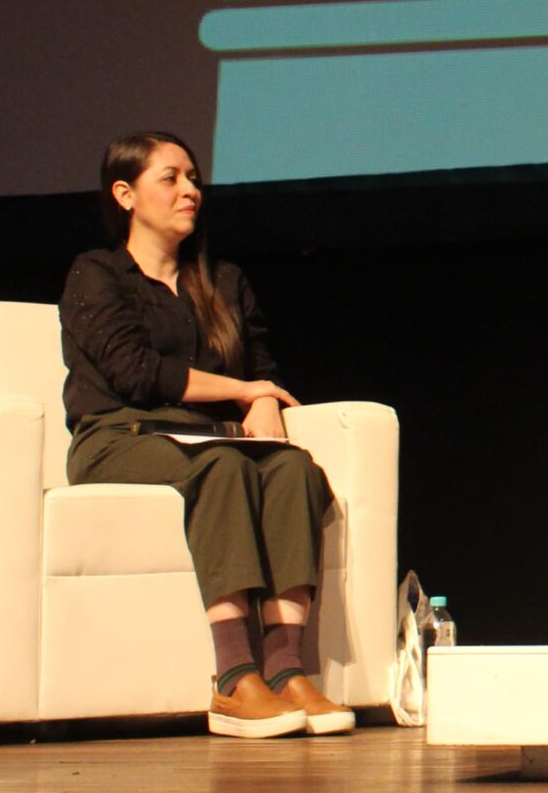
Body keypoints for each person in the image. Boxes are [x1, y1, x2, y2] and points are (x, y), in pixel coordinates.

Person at [58, 131, 351, 739]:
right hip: (118, 437)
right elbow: (137, 373)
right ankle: (233, 678)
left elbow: (260, 368)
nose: (190, 190)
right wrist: (247, 392)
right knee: (223, 468)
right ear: (125, 194)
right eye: (170, 178)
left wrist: (264, 397)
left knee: (294, 468)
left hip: (206, 437)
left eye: (193, 178)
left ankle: (286, 670)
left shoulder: (222, 279)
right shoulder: (97, 274)